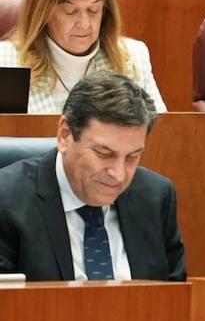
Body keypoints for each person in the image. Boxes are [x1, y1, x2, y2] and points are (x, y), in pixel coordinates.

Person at [0, 71, 185, 281]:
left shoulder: (155, 197)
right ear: (65, 134)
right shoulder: (6, 200)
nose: (118, 173)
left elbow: (175, 298)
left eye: (132, 157)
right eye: (104, 153)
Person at [0, 0, 166, 113]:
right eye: (70, 11)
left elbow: (158, 137)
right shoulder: (6, 62)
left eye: (94, 10)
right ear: (43, 10)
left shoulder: (132, 58)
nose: (85, 24)